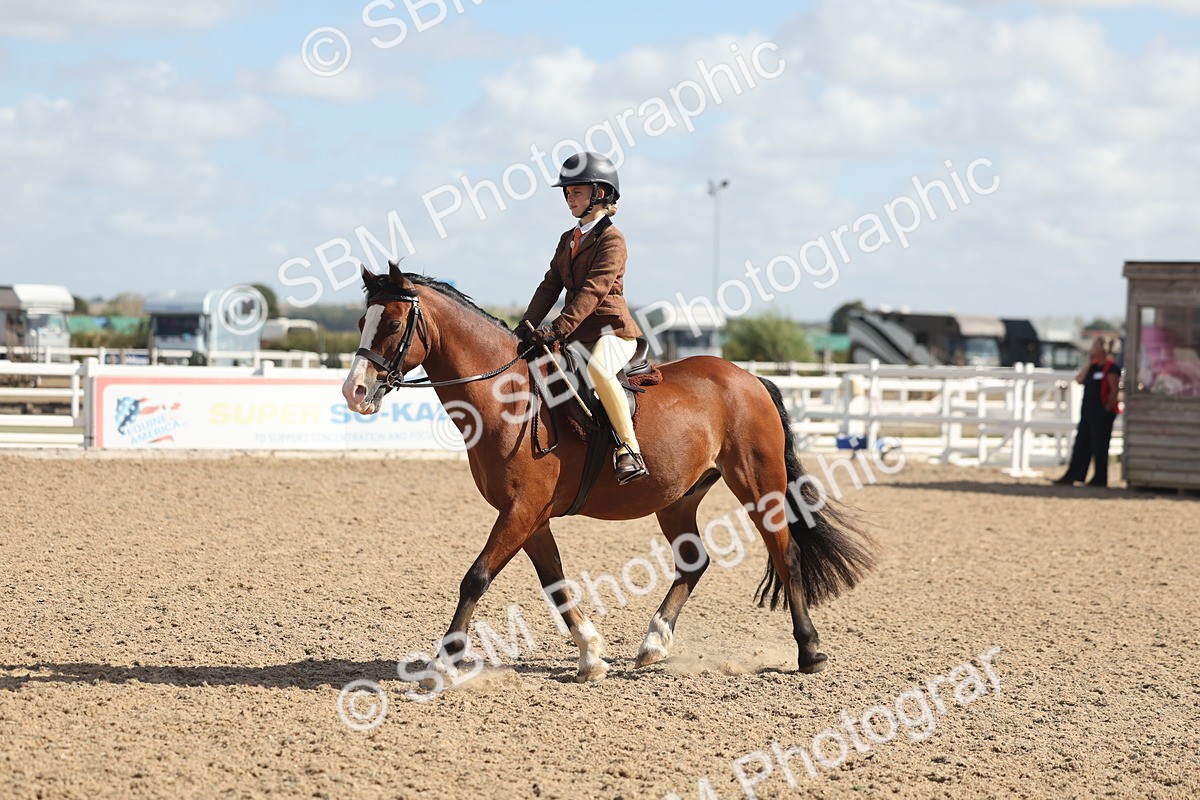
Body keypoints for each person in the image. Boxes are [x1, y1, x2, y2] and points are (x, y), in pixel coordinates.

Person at [518, 152, 648, 485]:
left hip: (612, 332)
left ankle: (630, 449)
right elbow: (550, 285)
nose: (569, 198)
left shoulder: (612, 240)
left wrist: (557, 328)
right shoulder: (568, 239)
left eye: (576, 191)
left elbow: (594, 290)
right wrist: (526, 325)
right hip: (576, 335)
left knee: (599, 370)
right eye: (567, 192)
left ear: (600, 194)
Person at [1054, 336, 1121, 487]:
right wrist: (1090, 363)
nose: (1091, 349)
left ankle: (1100, 478)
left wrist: (1106, 409)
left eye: (1094, 346)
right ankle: (1075, 474)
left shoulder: (1111, 367)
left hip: (1102, 412)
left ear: (1101, 349)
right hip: (1088, 410)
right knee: (1082, 442)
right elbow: (1079, 380)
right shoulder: (1094, 366)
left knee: (1099, 446)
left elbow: (1114, 390)